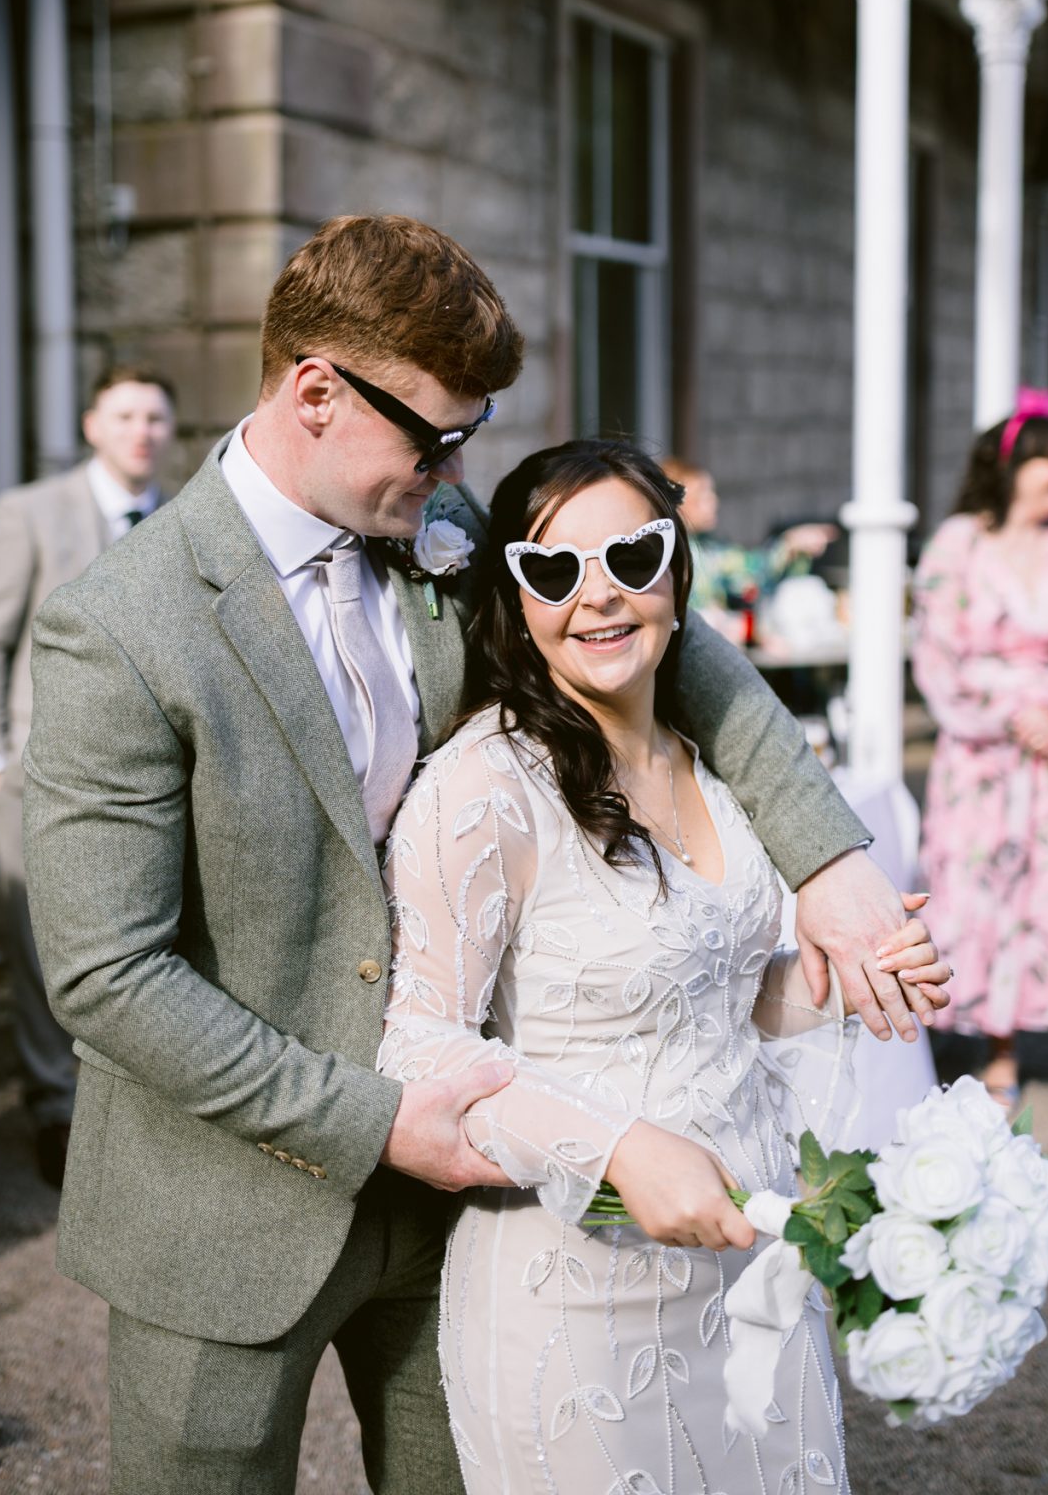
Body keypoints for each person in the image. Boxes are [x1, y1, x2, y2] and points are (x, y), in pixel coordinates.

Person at [22, 215, 945, 1495]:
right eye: (438, 434)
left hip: (472, 1204)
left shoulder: (434, 529)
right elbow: (107, 976)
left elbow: (661, 629)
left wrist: (829, 862)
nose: (458, 466)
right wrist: (379, 1117)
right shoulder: (116, 628)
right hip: (226, 1210)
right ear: (316, 393)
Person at [378, 439, 947, 1493]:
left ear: (679, 577)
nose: (598, 596)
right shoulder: (481, 790)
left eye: (631, 559)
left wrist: (834, 974)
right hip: (576, 1287)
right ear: (515, 600)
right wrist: (619, 1149)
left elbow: (713, 996)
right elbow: (418, 1046)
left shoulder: (708, 758)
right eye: (554, 571)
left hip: (747, 1261)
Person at [0, 362, 176, 1183]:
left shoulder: (181, 518)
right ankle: (54, 1110)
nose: (140, 432)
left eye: (154, 419)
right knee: (38, 947)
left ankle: (131, 1112)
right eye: (124, 417)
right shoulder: (31, 513)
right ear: (92, 426)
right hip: (31, 772)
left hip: (149, 779)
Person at [913, 387, 1048, 1118]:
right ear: (1010, 466)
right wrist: (1010, 713)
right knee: (983, 897)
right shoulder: (956, 544)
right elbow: (935, 654)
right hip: (980, 764)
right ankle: (996, 1049)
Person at [662, 455, 838, 636]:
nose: (714, 501)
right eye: (703, 494)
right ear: (678, 502)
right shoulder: (670, 553)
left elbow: (750, 571)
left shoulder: (710, 547)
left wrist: (789, 546)